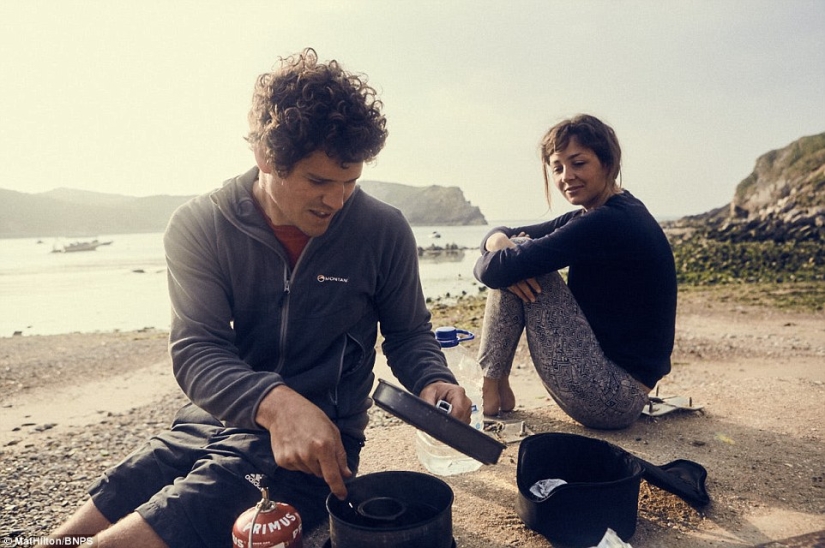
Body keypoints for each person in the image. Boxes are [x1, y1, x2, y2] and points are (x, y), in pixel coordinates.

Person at [49, 48, 470, 548]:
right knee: (105, 504)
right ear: (266, 157)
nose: (336, 201)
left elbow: (408, 332)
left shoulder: (383, 230)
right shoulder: (199, 225)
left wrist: (432, 378)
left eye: (350, 182)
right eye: (318, 181)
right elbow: (195, 350)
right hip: (212, 419)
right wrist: (274, 403)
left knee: (184, 511)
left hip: (317, 446)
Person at [473, 114, 676, 429]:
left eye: (578, 163)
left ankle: (491, 383)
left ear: (608, 163)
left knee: (521, 265)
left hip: (613, 397)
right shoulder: (600, 214)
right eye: (557, 168)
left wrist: (502, 250)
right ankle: (494, 383)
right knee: (514, 256)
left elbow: (494, 270)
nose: (566, 176)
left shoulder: (607, 222)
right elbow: (505, 237)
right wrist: (498, 241)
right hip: (615, 388)